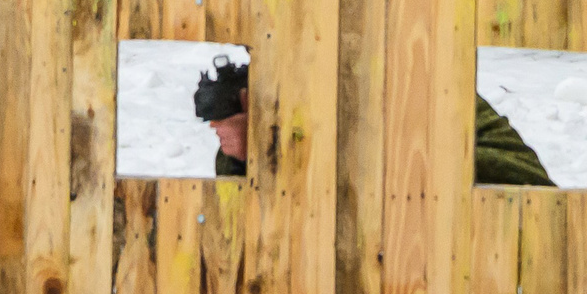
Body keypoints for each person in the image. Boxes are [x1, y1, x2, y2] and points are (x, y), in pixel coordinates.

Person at [192, 57, 556, 186]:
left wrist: (408, 164)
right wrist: (242, 154)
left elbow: (529, 181)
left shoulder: (427, 92)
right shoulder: (298, 121)